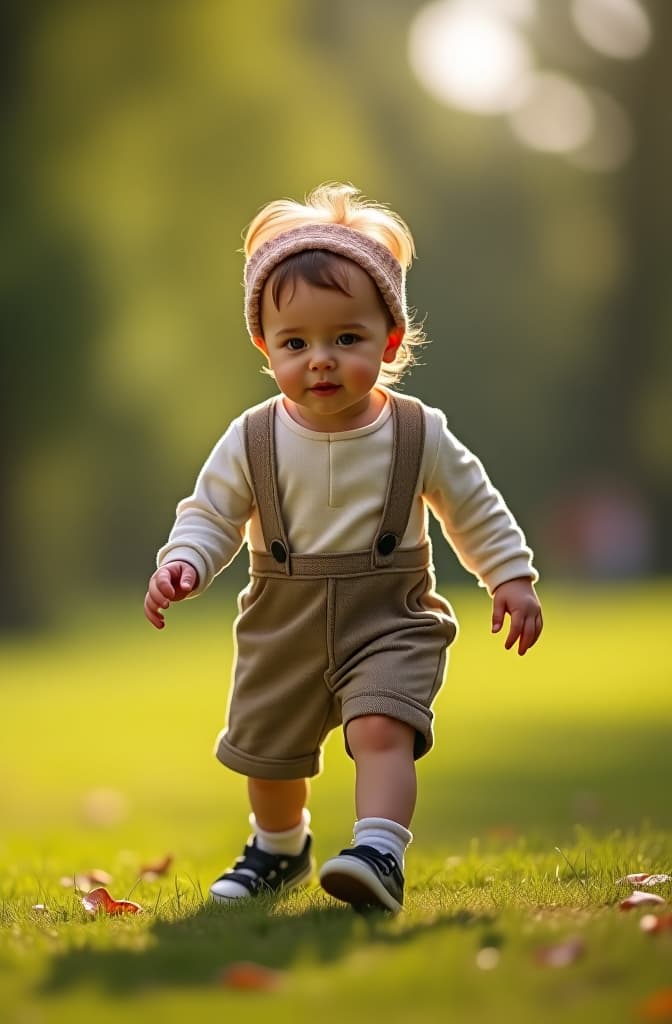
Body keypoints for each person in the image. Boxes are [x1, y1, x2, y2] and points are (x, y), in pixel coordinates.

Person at [144, 183, 543, 914]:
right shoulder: (253, 438)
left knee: (382, 727)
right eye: (296, 343)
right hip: (282, 622)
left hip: (387, 615)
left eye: (346, 339)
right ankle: (279, 847)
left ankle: (379, 852)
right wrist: (185, 562)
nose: (320, 360)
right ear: (265, 348)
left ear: (389, 341)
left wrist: (510, 577)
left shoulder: (418, 433)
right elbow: (211, 513)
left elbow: (474, 507)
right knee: (266, 755)